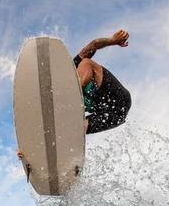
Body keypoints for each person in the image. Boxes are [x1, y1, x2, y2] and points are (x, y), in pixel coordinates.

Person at [17, 29, 132, 160]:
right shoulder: (56, 104)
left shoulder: (71, 68)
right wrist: (27, 150)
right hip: (113, 116)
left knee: (86, 63)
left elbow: (93, 45)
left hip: (119, 100)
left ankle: (73, 95)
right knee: (73, 129)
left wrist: (112, 41)